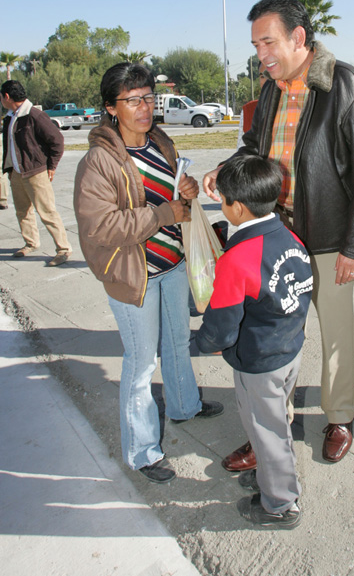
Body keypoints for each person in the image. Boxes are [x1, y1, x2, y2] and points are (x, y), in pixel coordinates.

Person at [204, 0, 354, 465]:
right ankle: (272, 426)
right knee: (271, 337)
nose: (260, 53)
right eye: (255, 43)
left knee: (335, 333)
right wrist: (227, 169)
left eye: (268, 42)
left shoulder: (349, 87)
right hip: (274, 233)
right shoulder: (270, 89)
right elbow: (252, 145)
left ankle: (340, 416)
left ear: (298, 38)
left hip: (328, 238)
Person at [74, 63, 223, 484]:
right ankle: (142, 452)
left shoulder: (160, 142)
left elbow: (172, 190)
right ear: (111, 108)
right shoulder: (98, 163)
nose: (145, 107)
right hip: (133, 278)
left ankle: (184, 406)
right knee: (141, 363)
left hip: (173, 265)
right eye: (133, 100)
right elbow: (100, 228)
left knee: (177, 342)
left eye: (148, 98)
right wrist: (162, 214)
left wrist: (187, 189)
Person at [196, 155, 313, 529]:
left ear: (239, 207)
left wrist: (198, 343)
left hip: (259, 361)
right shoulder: (291, 237)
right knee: (274, 422)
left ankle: (280, 504)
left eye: (223, 198)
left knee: (267, 429)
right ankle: (271, 478)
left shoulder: (237, 258)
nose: (220, 203)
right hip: (288, 348)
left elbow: (221, 329)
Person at [1, 80, 71, 265]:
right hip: (17, 173)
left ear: (7, 96)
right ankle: (31, 243)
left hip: (35, 173)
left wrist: (52, 166)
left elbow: (57, 141)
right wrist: (8, 168)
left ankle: (63, 249)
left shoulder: (34, 115)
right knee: (22, 211)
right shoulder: (9, 117)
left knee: (47, 211)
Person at [236, 64, 267, 148]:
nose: (266, 80)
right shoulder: (248, 110)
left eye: (271, 75)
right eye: (262, 76)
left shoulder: (294, 107)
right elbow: (241, 147)